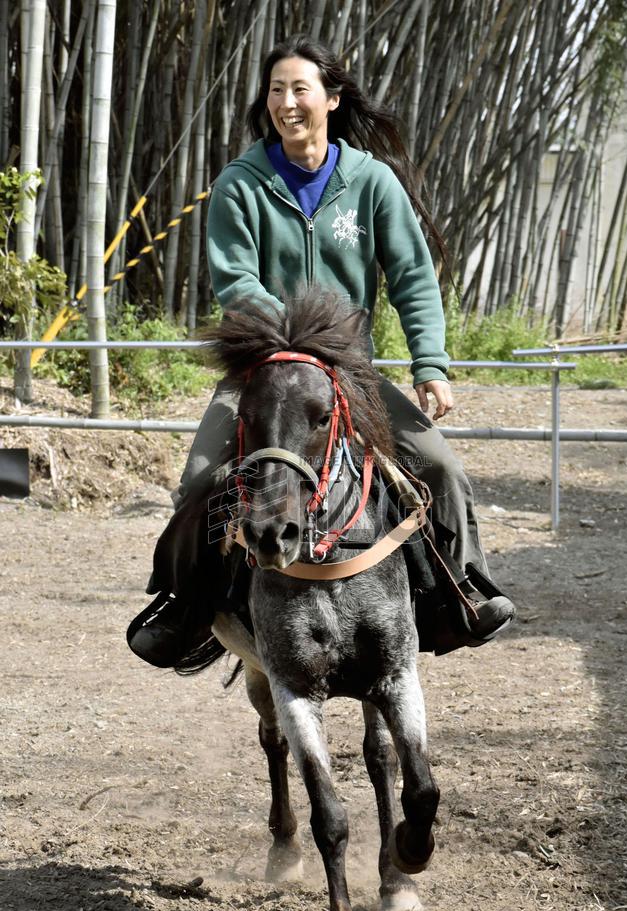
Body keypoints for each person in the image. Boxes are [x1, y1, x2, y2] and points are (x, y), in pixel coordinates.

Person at [128, 35, 515, 668]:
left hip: (350, 372)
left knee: (439, 466)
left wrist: (431, 366)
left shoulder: (371, 182)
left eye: (300, 88)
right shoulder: (239, 184)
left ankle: (460, 592)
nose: (286, 102)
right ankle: (188, 607)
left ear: (331, 99)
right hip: (261, 369)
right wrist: (292, 336)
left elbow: (413, 278)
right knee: (200, 476)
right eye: (276, 90)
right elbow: (236, 282)